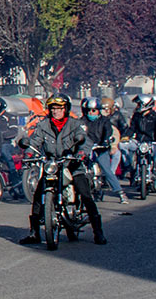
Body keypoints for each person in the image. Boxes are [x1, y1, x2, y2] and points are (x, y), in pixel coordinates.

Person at [19, 94, 106, 245]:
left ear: (66, 109)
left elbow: (84, 140)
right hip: (52, 165)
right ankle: (34, 233)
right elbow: (35, 142)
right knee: (38, 195)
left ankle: (98, 232)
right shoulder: (43, 125)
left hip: (72, 164)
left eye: (59, 108)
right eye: (53, 108)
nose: (56, 111)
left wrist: (81, 153)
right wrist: (29, 153)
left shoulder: (75, 124)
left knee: (85, 194)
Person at [82, 97, 127, 203]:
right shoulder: (82, 121)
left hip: (100, 148)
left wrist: (106, 141)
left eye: (94, 110)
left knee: (107, 170)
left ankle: (120, 192)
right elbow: (78, 133)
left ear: (98, 110)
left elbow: (108, 131)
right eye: (89, 110)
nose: (91, 113)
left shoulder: (105, 121)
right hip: (86, 149)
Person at [0, 97, 23, 199]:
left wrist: (0, 136)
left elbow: (14, 132)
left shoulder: (10, 117)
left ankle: (13, 173)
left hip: (8, 144)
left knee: (4, 149)